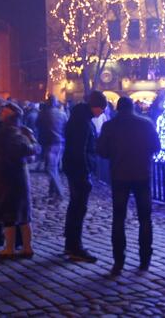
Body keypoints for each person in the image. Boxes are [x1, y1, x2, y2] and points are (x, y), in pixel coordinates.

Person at [97, 97, 160, 274]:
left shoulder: (110, 126)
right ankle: (145, 258)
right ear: (133, 108)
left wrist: (115, 154)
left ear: (118, 108)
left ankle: (119, 260)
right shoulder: (146, 124)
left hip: (120, 175)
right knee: (145, 218)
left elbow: (101, 151)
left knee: (118, 218)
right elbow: (156, 146)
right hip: (142, 174)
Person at [0, 103, 38, 258]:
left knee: (10, 214)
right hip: (19, 175)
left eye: (4, 113)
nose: (1, 114)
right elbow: (33, 149)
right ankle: (27, 247)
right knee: (23, 213)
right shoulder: (21, 133)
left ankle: (10, 248)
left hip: (6, 176)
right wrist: (31, 137)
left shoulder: (6, 134)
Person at [62, 102, 100, 263]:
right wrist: (85, 172)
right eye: (102, 108)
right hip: (79, 171)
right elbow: (80, 150)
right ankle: (75, 246)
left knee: (75, 207)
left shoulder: (76, 119)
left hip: (73, 169)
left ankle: (71, 244)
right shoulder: (83, 123)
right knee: (78, 208)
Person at [37, 96, 67, 202]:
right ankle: (52, 192)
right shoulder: (62, 114)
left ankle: (59, 193)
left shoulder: (43, 113)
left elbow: (38, 126)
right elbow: (66, 127)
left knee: (50, 168)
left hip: (49, 143)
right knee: (54, 168)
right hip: (60, 143)